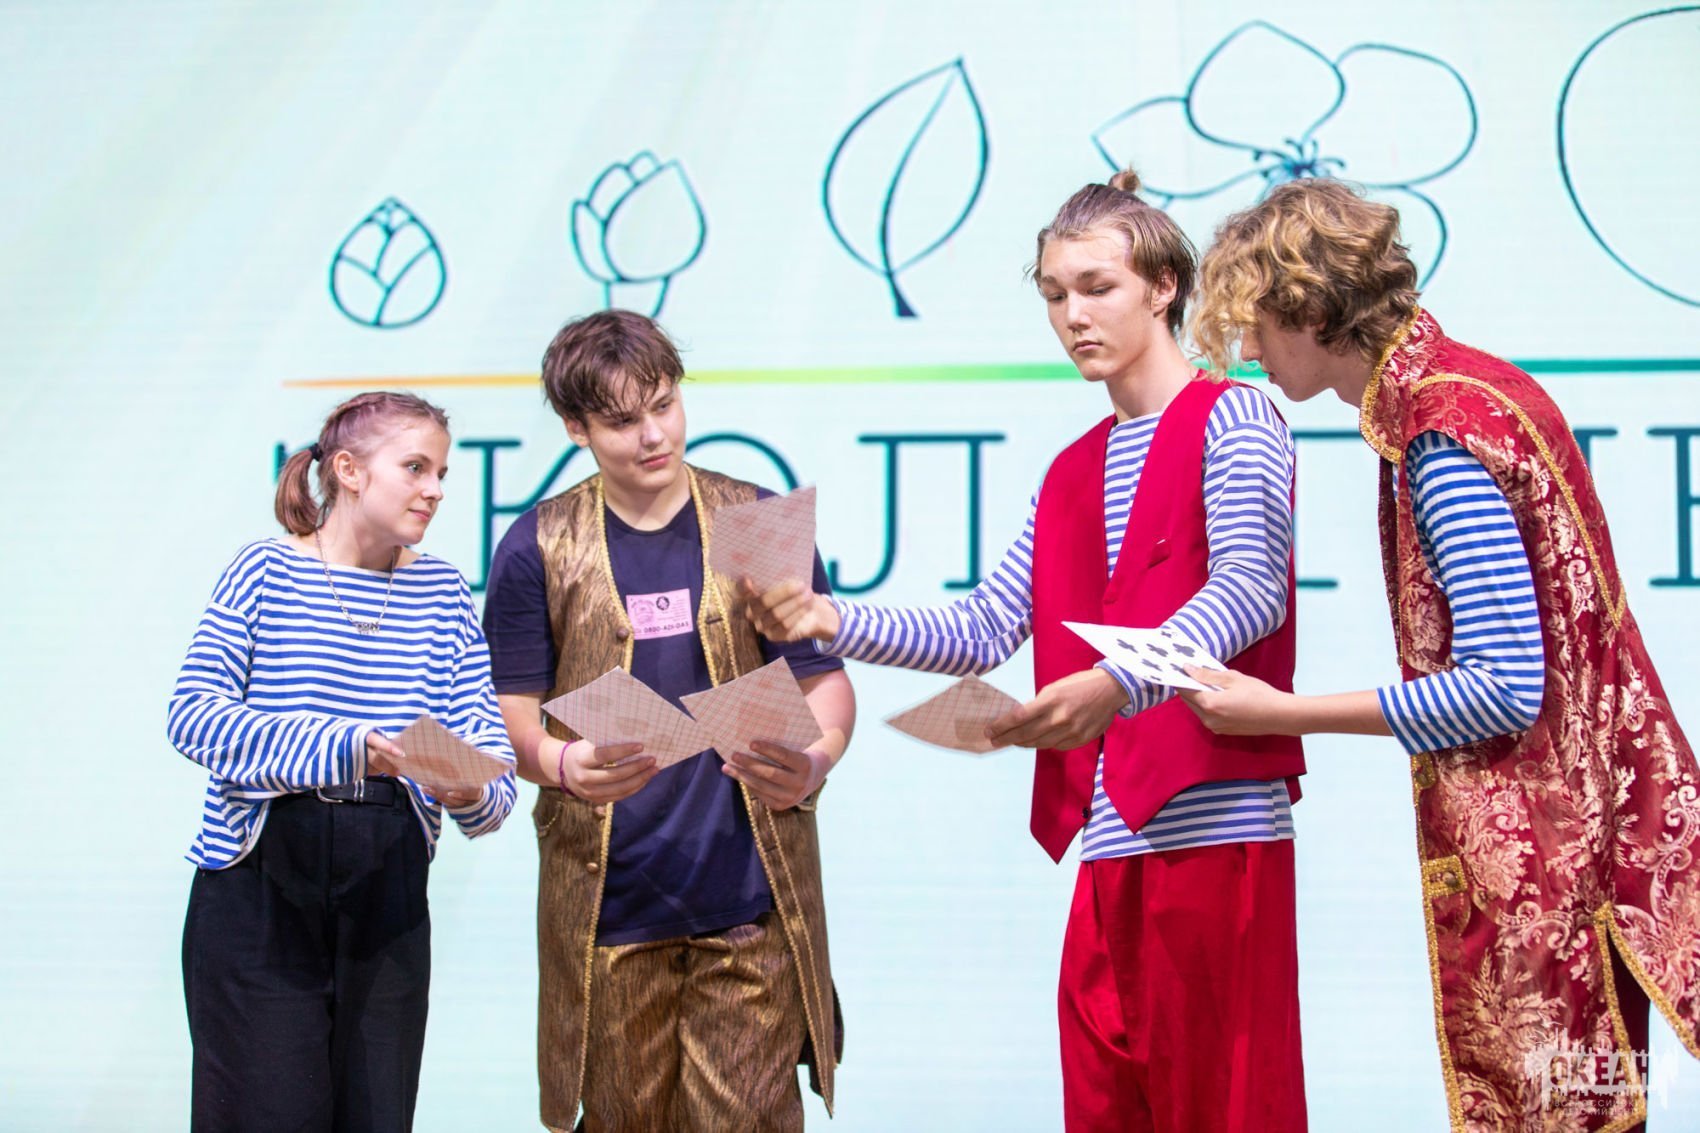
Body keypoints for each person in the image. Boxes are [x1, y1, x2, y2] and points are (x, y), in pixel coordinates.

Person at [745, 171, 1308, 1132]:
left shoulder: (1238, 416)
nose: (1072, 315)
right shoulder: (1072, 471)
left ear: (1164, 287)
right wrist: (827, 619)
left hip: (1217, 835)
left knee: (1228, 1111)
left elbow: (1250, 590)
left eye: (1097, 287)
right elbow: (980, 629)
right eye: (1054, 294)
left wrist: (1115, 682)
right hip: (1109, 843)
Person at [1183, 176, 1700, 1131]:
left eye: (1255, 321)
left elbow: (1500, 687)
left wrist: (1279, 713)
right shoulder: (1474, 387)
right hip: (1590, 832)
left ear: (1309, 308)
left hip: (1553, 859)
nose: (1247, 349)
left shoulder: (1440, 433)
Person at [482, 309, 856, 1133]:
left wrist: (816, 758)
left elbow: (824, 682)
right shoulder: (537, 545)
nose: (654, 435)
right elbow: (510, 717)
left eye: (664, 405)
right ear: (577, 427)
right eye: (623, 421)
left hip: (749, 900)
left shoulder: (753, 517)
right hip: (610, 911)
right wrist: (560, 763)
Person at [167, 391, 518, 1132]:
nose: (435, 489)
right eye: (415, 467)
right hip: (263, 880)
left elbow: (494, 772)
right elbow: (193, 715)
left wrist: (466, 790)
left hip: (388, 886)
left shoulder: (444, 591)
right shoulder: (265, 570)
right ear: (350, 470)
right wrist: (344, 746)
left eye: (443, 473)